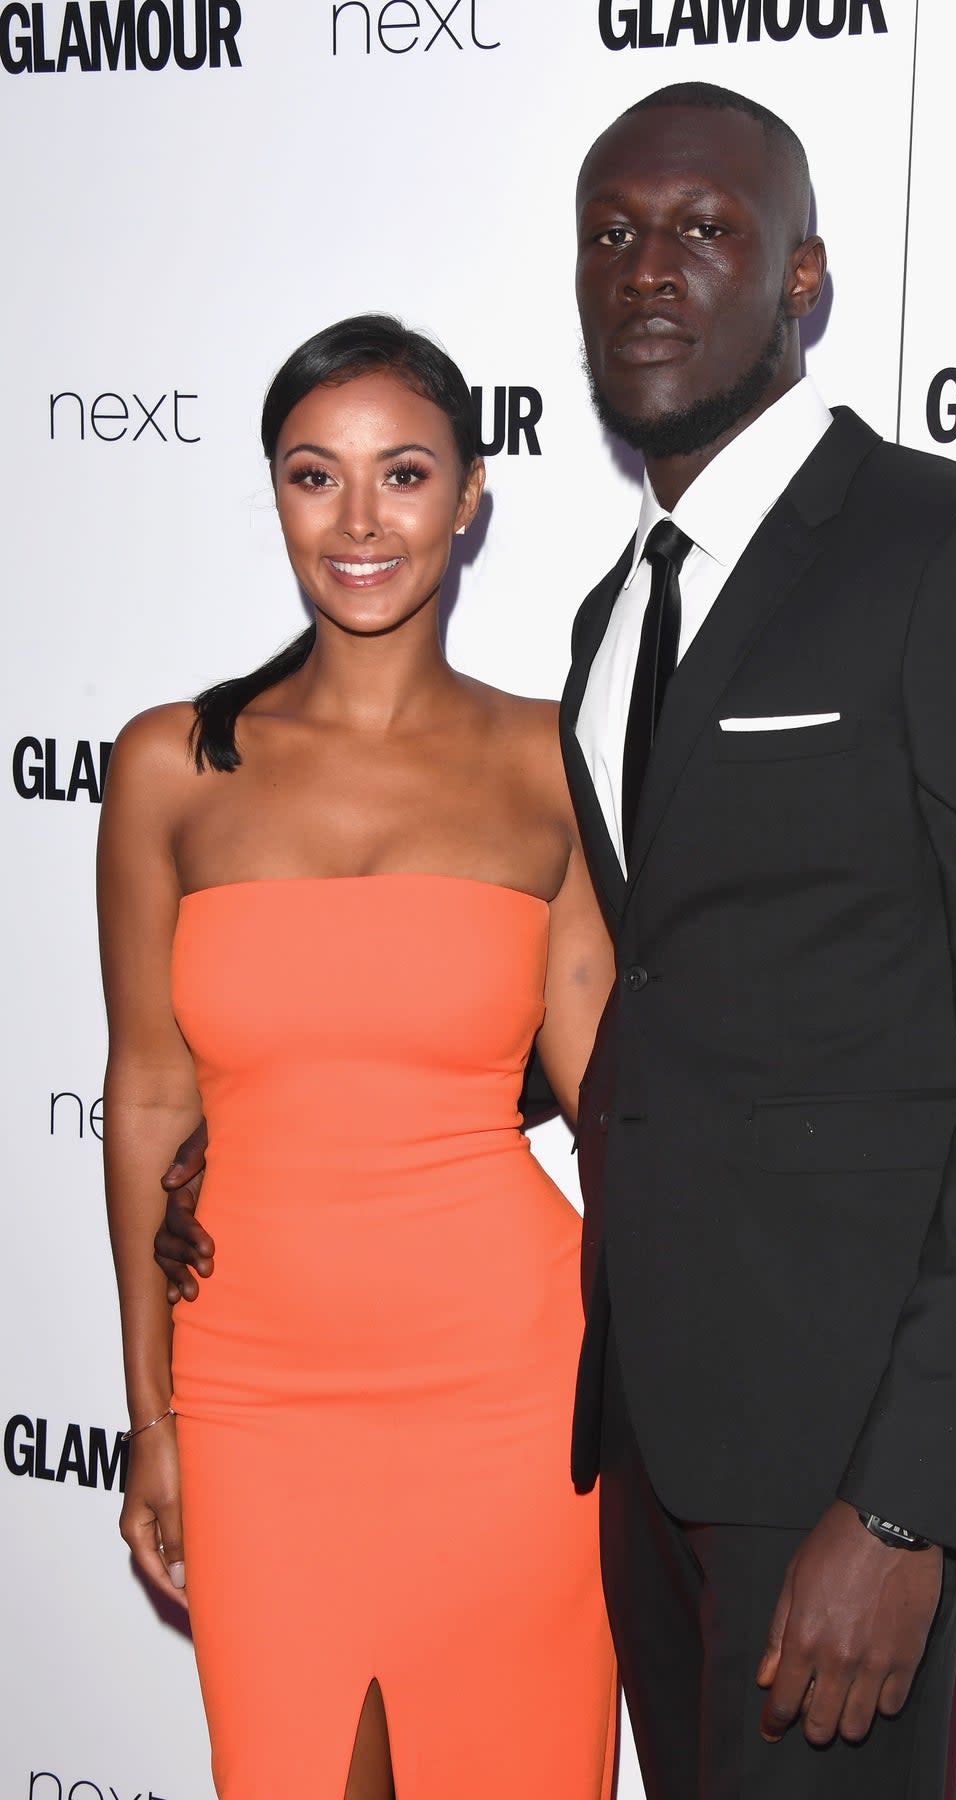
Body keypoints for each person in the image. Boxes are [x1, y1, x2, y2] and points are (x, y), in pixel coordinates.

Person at [157, 86, 956, 1800]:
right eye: (613, 234)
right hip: (631, 1455)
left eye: (706, 229)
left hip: (847, 1480)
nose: (650, 271)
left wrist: (907, 1499)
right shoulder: (612, 626)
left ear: (805, 279)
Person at [99, 314, 617, 1800]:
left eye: (404, 474)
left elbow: (619, 1101)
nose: (361, 519)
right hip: (257, 1395)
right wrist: (155, 1416)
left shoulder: (553, 761)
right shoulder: (169, 766)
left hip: (512, 1395)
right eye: (314, 477)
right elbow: (145, 1099)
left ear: (469, 497)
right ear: (274, 496)